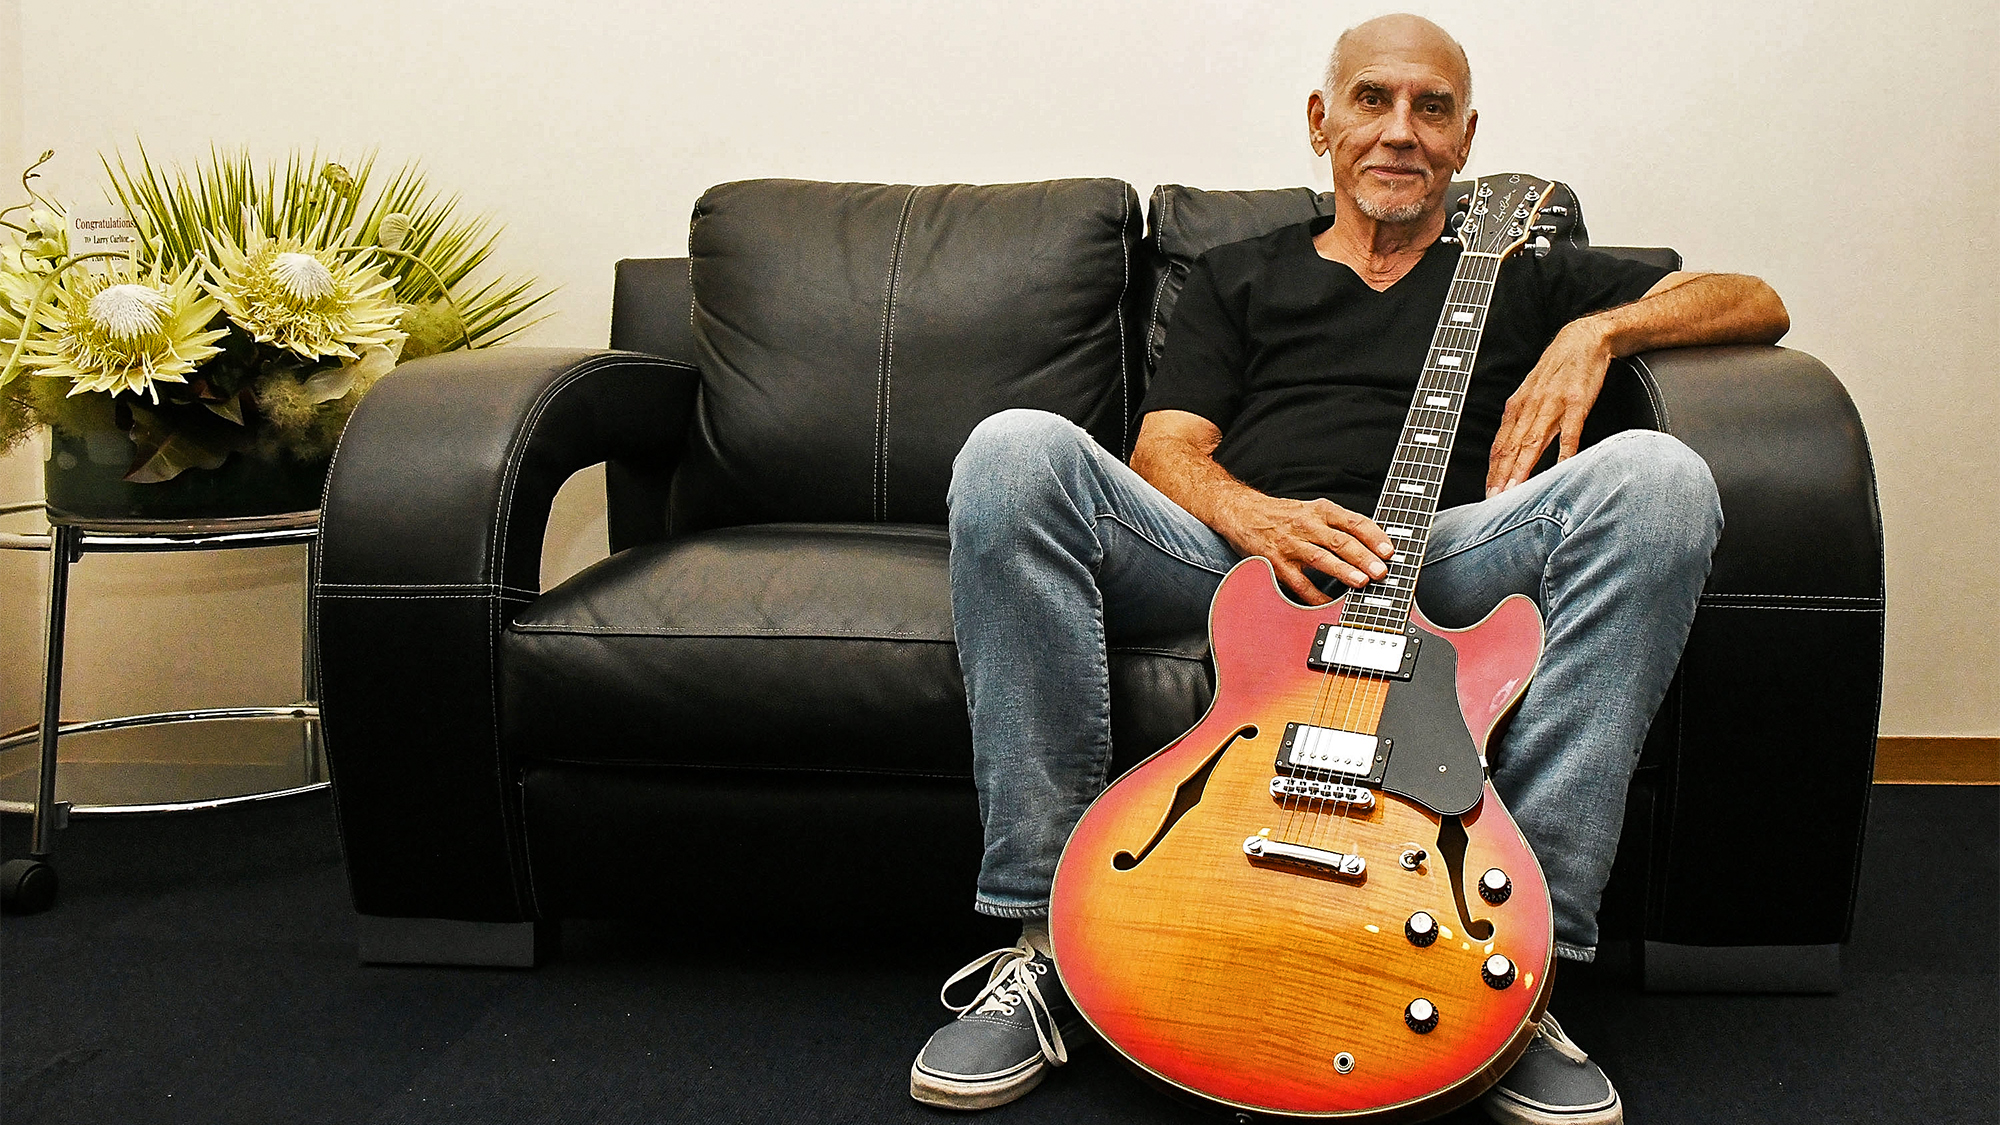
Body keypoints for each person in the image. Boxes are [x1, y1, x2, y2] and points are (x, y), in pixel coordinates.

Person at [908, 14, 1789, 1125]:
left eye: (1431, 108)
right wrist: (1253, 516)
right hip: (1237, 563)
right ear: (1320, 122)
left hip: (1446, 551)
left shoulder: (1518, 272)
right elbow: (1165, 449)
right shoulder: (1237, 275)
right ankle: (1044, 944)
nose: (1400, 131)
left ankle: (1514, 971)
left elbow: (1756, 299)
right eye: (1373, 99)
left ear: (1466, 139)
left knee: (1662, 478)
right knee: (1011, 451)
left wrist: (1597, 334)